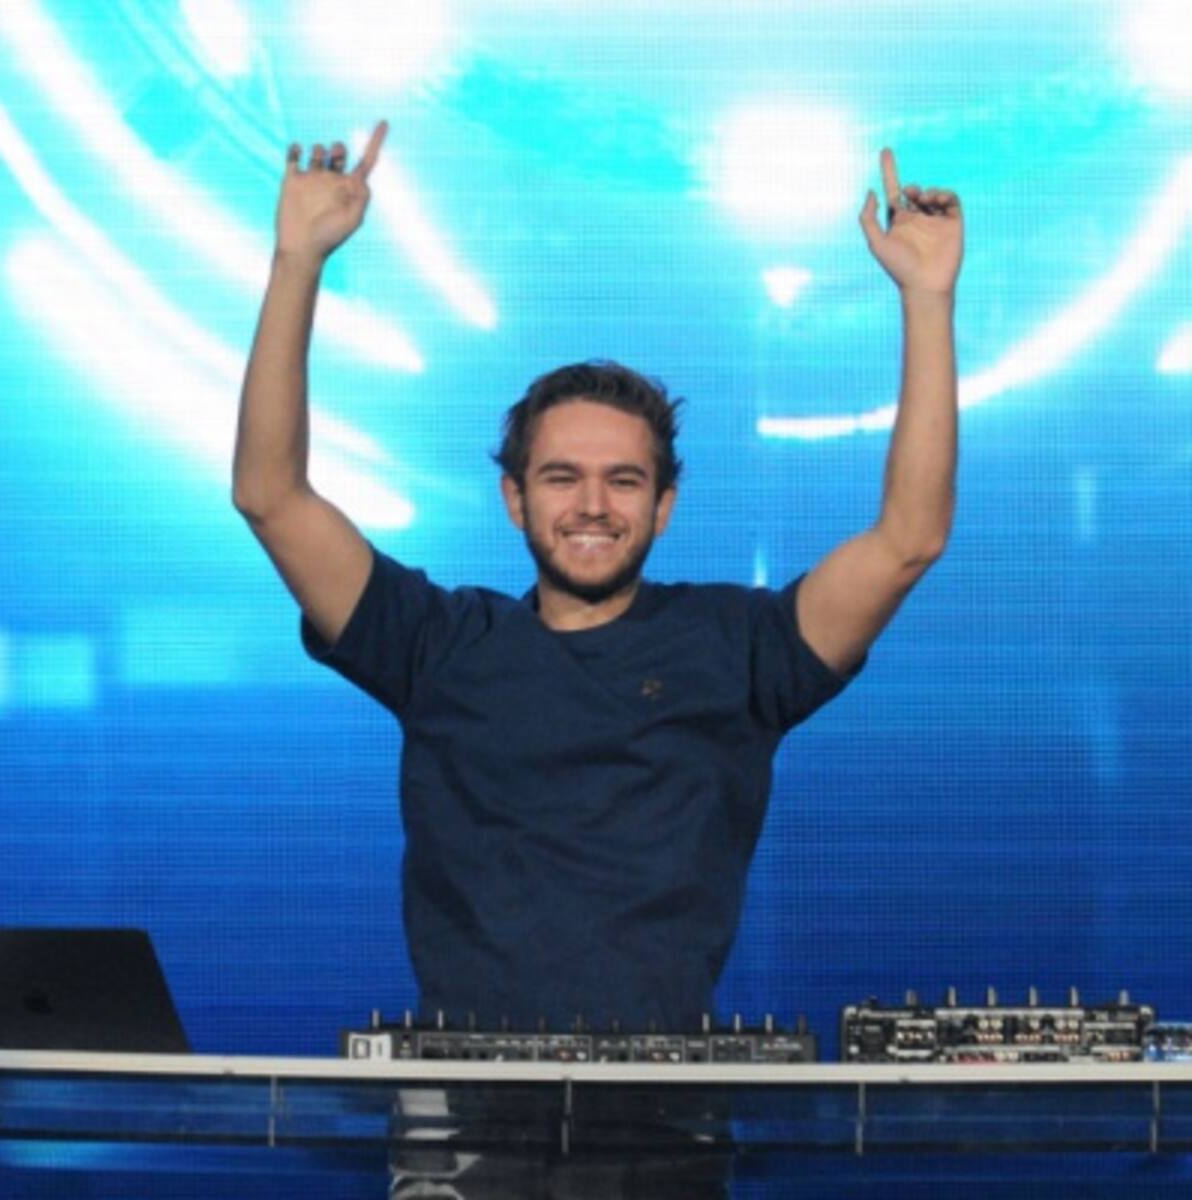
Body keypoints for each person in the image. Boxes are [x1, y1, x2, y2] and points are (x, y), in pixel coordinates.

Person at [233, 121, 963, 1199]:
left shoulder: (738, 646)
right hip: (463, 1125)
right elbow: (269, 495)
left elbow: (908, 540)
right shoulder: (438, 643)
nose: (591, 505)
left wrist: (928, 300)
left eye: (623, 481)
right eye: (561, 477)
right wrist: (298, 260)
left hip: (663, 1125)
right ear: (514, 498)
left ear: (664, 507)